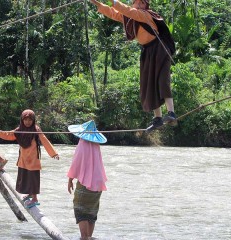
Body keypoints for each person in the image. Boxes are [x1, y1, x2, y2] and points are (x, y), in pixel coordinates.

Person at [89, 0, 177, 132]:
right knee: (149, 84)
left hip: (159, 49)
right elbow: (114, 13)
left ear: (142, 4)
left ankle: (171, 113)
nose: (132, 4)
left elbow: (127, 11)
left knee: (162, 80)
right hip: (147, 51)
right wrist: (96, 2)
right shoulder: (131, 18)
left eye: (135, 2)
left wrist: (113, 1)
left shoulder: (145, 15)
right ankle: (157, 118)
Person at [0, 109, 59, 208]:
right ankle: (30, 194)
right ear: (22, 120)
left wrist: (53, 153)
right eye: (25, 120)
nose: (28, 122)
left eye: (30, 120)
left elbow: (44, 139)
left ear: (33, 121)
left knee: (33, 179)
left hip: (33, 159)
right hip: (23, 159)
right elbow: (9, 135)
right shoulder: (20, 130)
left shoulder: (36, 130)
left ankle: (35, 199)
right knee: (25, 177)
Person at [67, 120, 107, 239]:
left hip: (86, 183)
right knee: (91, 210)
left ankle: (84, 237)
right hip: (98, 183)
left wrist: (70, 179)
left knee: (80, 208)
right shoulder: (96, 145)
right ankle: (89, 236)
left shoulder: (83, 142)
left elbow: (76, 162)